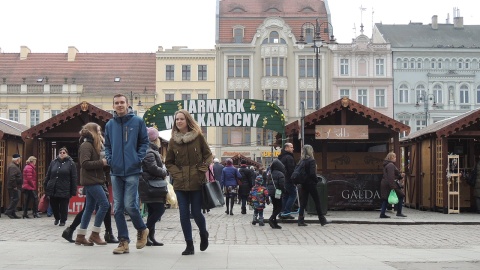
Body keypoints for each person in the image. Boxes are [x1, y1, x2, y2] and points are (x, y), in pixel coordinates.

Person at [104, 94, 150, 254]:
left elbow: (144, 141)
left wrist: (138, 158)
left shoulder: (137, 121)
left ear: (127, 104)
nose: (119, 105)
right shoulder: (110, 124)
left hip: (132, 169)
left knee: (130, 205)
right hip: (116, 171)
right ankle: (123, 241)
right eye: (116, 103)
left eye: (122, 102)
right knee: (117, 208)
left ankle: (142, 229)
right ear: (113, 105)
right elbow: (107, 145)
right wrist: (110, 159)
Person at [165, 109, 213, 256]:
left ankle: (203, 234)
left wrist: (201, 170)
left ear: (188, 121)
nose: (179, 121)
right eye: (177, 119)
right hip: (180, 182)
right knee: (184, 214)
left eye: (181, 119)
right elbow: (169, 162)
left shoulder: (198, 137)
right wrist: (177, 174)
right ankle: (189, 244)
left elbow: (208, 155)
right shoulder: (173, 140)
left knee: (196, 213)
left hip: (197, 181)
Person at [74, 123, 111, 246]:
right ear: (93, 131)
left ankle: (80, 236)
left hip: (94, 179)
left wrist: (104, 165)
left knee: (89, 208)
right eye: (99, 131)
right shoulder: (86, 145)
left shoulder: (94, 145)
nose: (100, 133)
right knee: (104, 205)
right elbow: (85, 163)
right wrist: (102, 162)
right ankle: (95, 234)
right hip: (91, 180)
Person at [138, 126, 168, 247]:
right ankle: (144, 232)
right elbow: (152, 168)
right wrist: (164, 172)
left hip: (150, 184)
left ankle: (150, 238)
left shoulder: (149, 150)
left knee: (152, 211)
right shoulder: (149, 151)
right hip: (151, 185)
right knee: (160, 210)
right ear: (155, 139)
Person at [44, 147, 77, 226]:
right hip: (53, 187)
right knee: (53, 204)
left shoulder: (71, 163)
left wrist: (73, 190)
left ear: (67, 154)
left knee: (63, 206)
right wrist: (45, 184)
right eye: (60, 152)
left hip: (65, 188)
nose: (62, 154)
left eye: (64, 152)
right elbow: (48, 175)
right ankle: (57, 217)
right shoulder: (53, 162)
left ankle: (63, 220)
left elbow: (74, 177)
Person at [297, 144, 328, 226]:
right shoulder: (311, 160)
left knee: (303, 202)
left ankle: (300, 220)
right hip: (311, 183)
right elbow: (312, 173)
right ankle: (322, 219)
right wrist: (316, 180)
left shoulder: (301, 161)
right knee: (317, 201)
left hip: (303, 183)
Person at [379, 152, 406, 218]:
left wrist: (400, 176)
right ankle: (399, 212)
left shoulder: (387, 165)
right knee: (401, 195)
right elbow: (391, 176)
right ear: (391, 157)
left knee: (385, 198)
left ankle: (382, 214)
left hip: (385, 183)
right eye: (395, 157)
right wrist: (393, 186)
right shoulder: (391, 165)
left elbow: (393, 175)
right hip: (390, 184)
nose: (395, 158)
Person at [265, 159, 285, 229]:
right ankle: (271, 219)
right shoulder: (280, 174)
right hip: (278, 192)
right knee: (279, 207)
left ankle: (274, 222)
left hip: (271, 192)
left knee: (275, 207)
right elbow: (281, 184)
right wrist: (284, 191)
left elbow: (267, 183)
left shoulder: (270, 174)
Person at [278, 143, 296, 220]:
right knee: (293, 194)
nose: (293, 149)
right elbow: (291, 170)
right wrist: (294, 179)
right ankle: (286, 212)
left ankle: (282, 212)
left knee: (285, 196)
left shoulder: (281, 157)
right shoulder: (289, 157)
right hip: (288, 180)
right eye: (291, 147)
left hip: (282, 180)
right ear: (286, 148)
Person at [5, 154, 23, 219]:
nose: (20, 160)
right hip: (14, 186)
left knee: (14, 199)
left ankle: (13, 213)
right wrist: (14, 186)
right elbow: (12, 177)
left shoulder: (14, 166)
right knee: (15, 199)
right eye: (20, 159)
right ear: (17, 160)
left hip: (14, 186)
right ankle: (8, 211)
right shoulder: (13, 167)